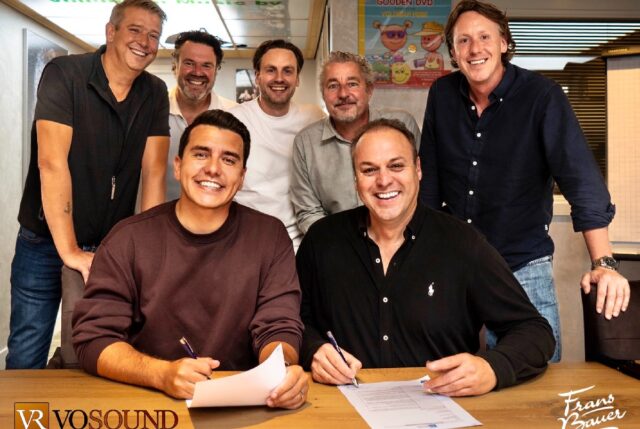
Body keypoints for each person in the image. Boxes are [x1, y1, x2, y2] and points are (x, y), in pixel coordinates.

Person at [419, 0, 630, 362]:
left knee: (536, 373)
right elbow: (429, 186)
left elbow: (581, 179)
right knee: (445, 375)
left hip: (523, 267)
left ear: (504, 42)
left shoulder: (542, 97)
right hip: (454, 266)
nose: (474, 48)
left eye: (485, 37)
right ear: (453, 52)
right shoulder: (442, 95)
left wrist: (604, 264)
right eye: (463, 40)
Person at [298, 118, 554, 396]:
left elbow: (534, 331)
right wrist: (314, 350)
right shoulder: (322, 241)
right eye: (369, 170)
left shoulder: (462, 243)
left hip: (443, 405)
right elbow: (294, 322)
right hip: (341, 408)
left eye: (396, 166)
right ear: (356, 179)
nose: (383, 180)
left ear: (418, 169)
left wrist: (492, 368)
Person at [72, 110, 308, 408]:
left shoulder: (270, 237)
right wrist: (161, 374)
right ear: (178, 165)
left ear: (242, 177)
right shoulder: (128, 238)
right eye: (201, 154)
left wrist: (280, 370)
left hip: (243, 404)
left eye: (229, 160)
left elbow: (279, 325)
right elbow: (94, 339)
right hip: (146, 400)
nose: (213, 169)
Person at [8, 0, 170, 369]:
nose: (145, 42)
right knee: (27, 350)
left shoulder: (154, 92)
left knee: (95, 352)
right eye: (135, 30)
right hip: (44, 241)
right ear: (111, 32)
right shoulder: (66, 74)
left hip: (109, 245)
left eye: (153, 35)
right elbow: (51, 163)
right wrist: (69, 250)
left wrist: (149, 251)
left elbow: (154, 173)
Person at [291, 51, 421, 234]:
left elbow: (422, 189)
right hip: (336, 243)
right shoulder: (305, 143)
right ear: (323, 95)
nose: (343, 94)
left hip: (405, 238)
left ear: (369, 90)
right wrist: (345, 246)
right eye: (333, 86)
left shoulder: (402, 125)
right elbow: (308, 212)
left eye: (352, 84)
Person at [230, 39, 324, 250]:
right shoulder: (233, 120)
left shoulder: (314, 118)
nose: (279, 78)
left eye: (288, 71)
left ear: (297, 78)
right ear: (257, 76)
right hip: (245, 241)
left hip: (300, 243)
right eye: (271, 70)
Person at [166, 30, 237, 201]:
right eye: (189, 63)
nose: (197, 72)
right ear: (175, 66)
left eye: (206, 65)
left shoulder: (235, 115)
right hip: (156, 214)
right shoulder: (152, 109)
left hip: (215, 214)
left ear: (216, 70)